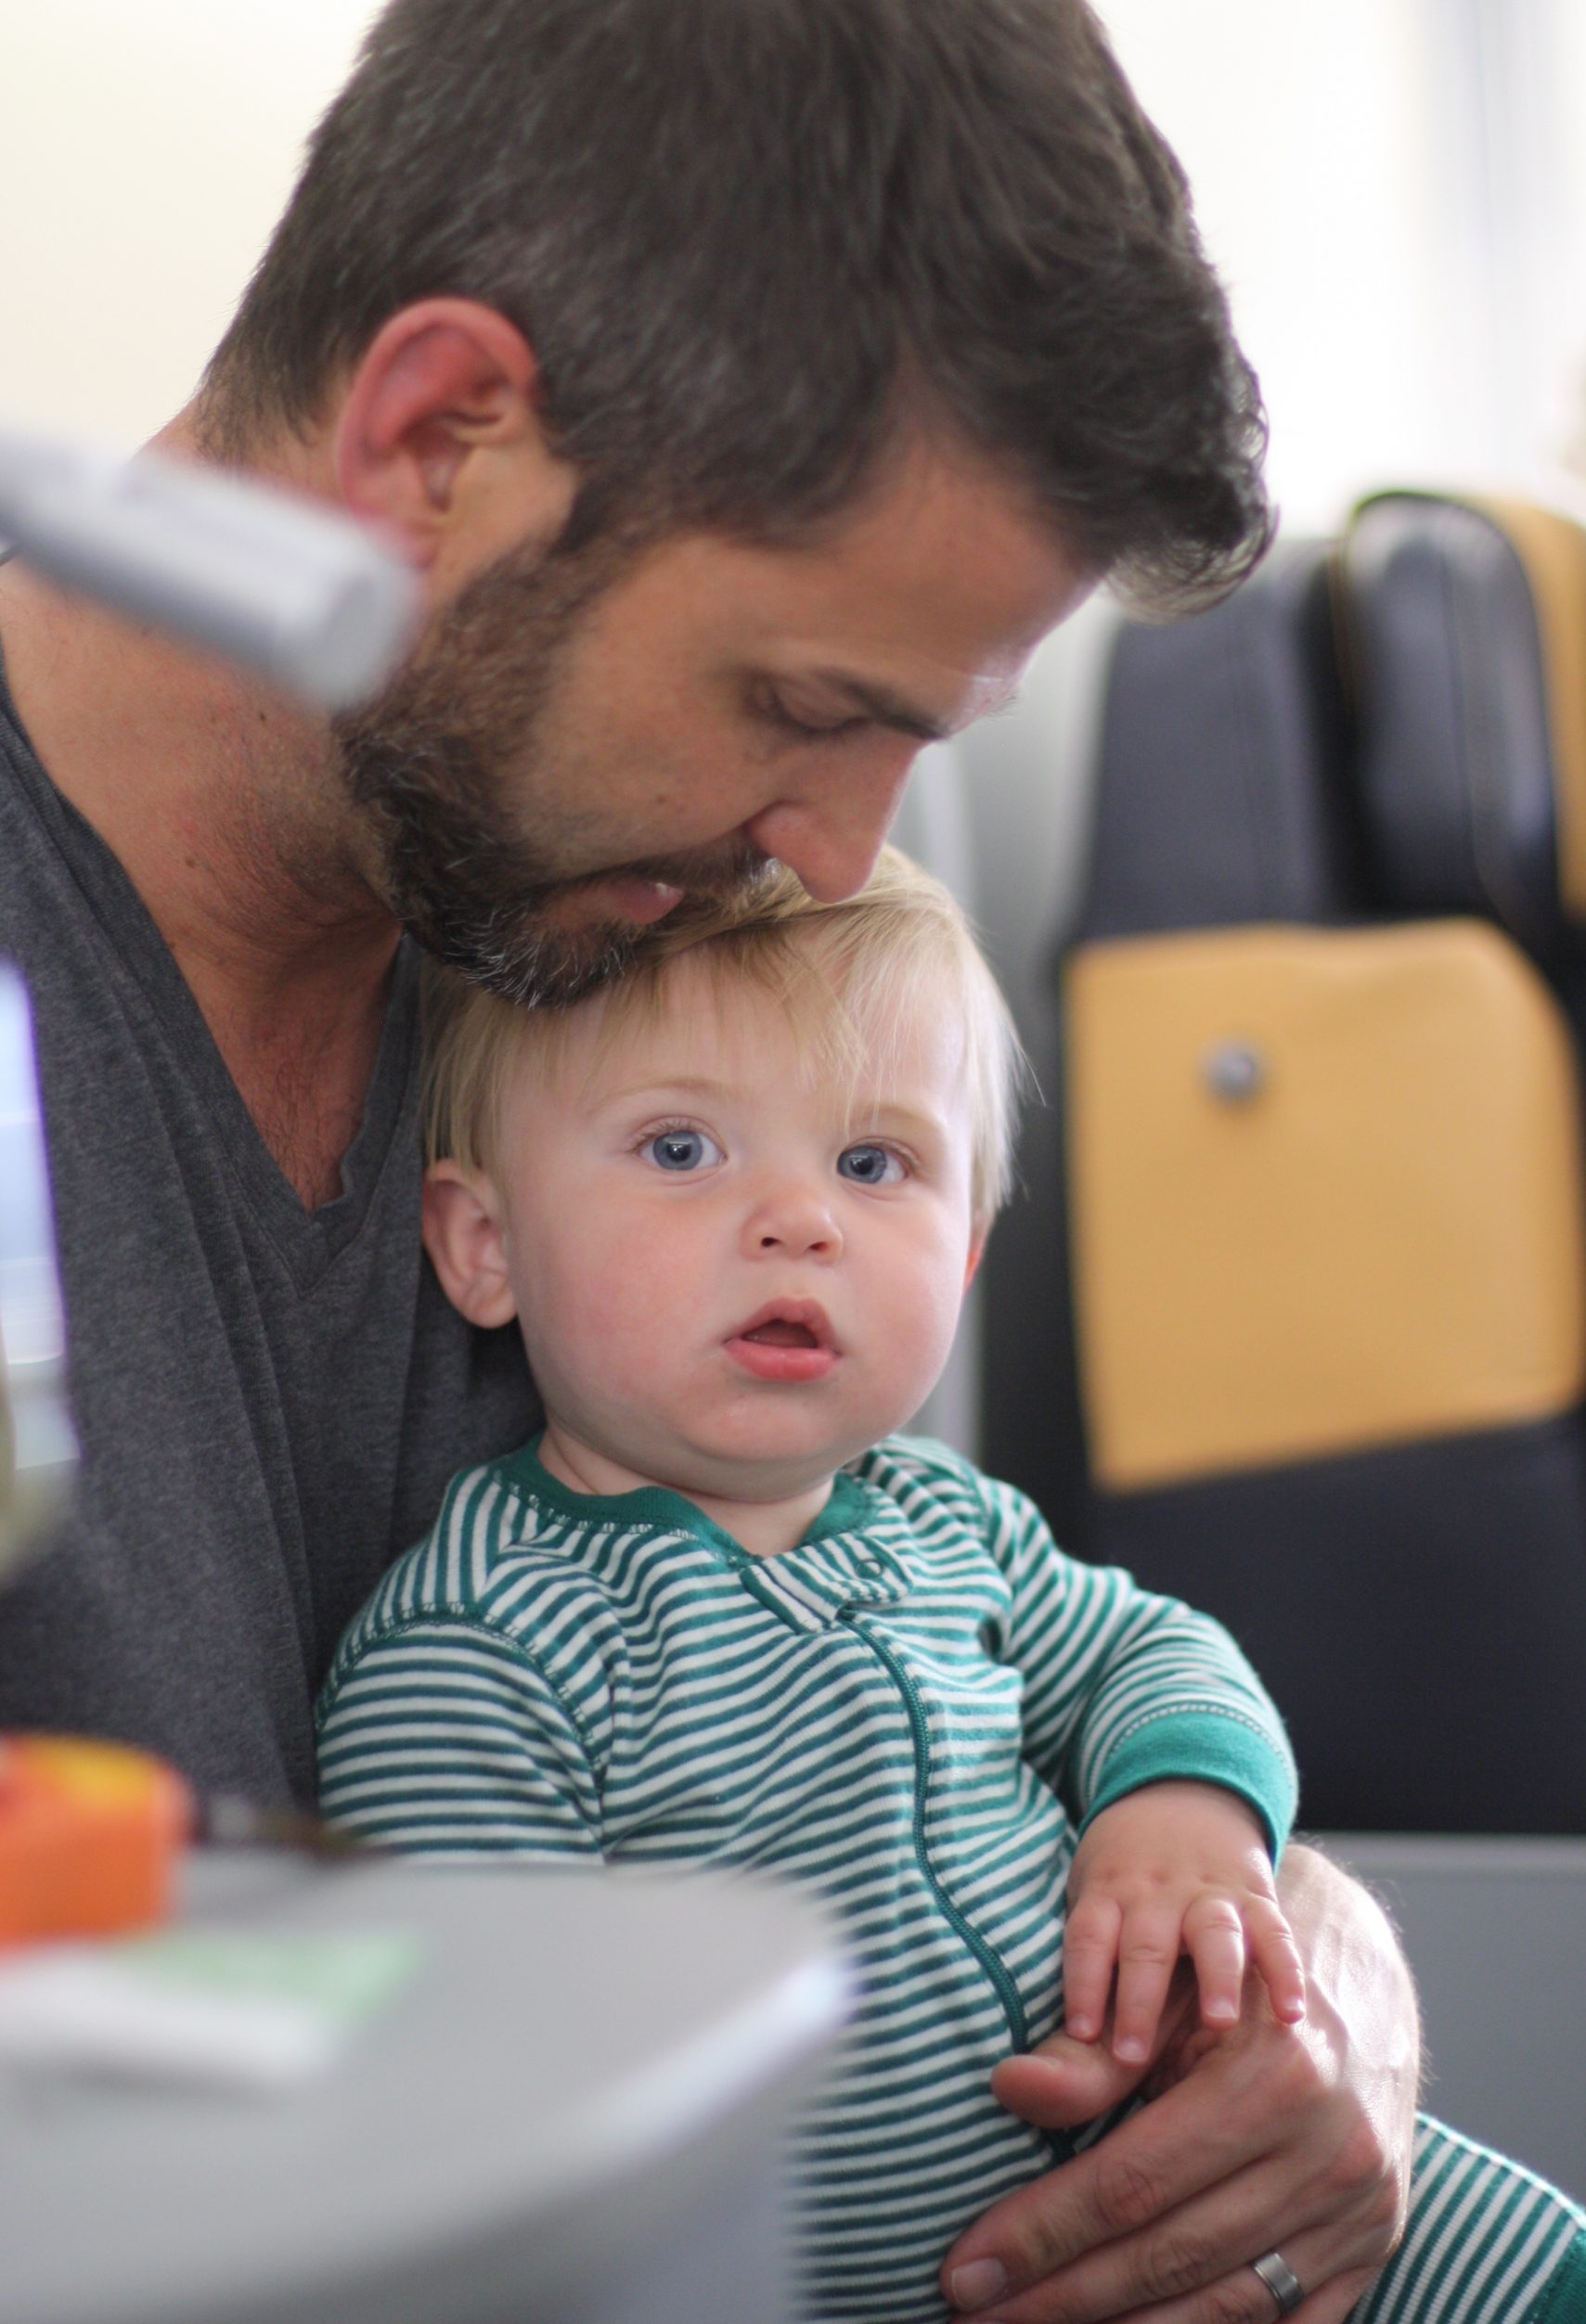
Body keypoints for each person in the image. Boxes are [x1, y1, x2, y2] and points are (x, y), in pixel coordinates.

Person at [0, 0, 1436, 2316]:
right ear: (440, 439)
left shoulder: (665, 942)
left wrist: (1314, 1974)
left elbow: (965, 1672)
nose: (846, 854)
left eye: (913, 742)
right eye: (799, 704)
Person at [316, 853, 1586, 2324]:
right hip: (816, 2287)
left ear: (965, 1255)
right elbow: (475, 2118)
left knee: (1534, 2263)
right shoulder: (483, 1642)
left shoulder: (948, 1522)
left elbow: (1153, 1653)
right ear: (486, 1248)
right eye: (679, 1147)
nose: (798, 1219)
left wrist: (1184, 1814)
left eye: (873, 1166)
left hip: (1191, 2169)